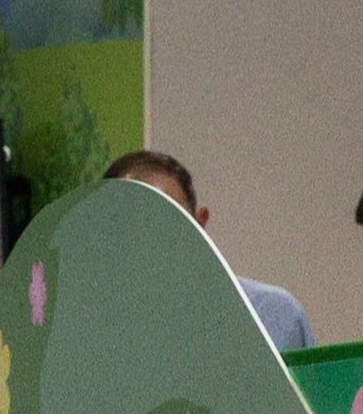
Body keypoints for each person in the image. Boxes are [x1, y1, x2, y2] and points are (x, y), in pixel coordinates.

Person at [101, 147, 314, 353]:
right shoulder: (90, 332)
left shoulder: (275, 318)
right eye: (134, 228)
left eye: (171, 221)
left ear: (200, 223)